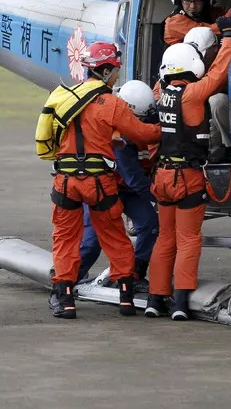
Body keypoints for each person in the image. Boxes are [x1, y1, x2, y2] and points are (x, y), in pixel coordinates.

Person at [46, 42, 161, 319]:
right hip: (99, 184)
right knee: (114, 236)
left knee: (65, 240)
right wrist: (168, 128)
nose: (116, 77)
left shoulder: (64, 97)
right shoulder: (111, 103)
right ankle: (125, 297)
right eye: (115, 71)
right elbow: (143, 135)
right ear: (105, 70)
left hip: (65, 181)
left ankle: (64, 300)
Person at [147, 17, 231, 321]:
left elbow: (165, 78)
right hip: (188, 179)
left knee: (164, 240)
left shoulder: (160, 94)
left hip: (162, 178)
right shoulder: (194, 94)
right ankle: (182, 301)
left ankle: (156, 299)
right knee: (188, 240)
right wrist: (228, 39)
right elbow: (219, 70)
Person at [76, 80, 160, 293]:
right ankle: (67, 282)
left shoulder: (140, 115)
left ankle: (136, 274)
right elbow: (133, 177)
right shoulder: (119, 135)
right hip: (106, 189)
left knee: (150, 224)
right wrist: (160, 195)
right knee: (92, 241)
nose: (145, 122)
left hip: (129, 191)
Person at [183, 26, 231, 163]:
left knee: (217, 101)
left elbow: (216, 79)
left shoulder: (227, 59)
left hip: (225, 114)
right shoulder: (183, 60)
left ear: (215, 48)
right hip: (199, 119)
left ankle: (229, 147)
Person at [163, 0, 230, 46]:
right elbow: (207, 32)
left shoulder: (208, 12)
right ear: (179, 1)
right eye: (187, 1)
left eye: (198, 1)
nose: (192, 6)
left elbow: (218, 14)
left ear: (206, 1)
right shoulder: (174, 21)